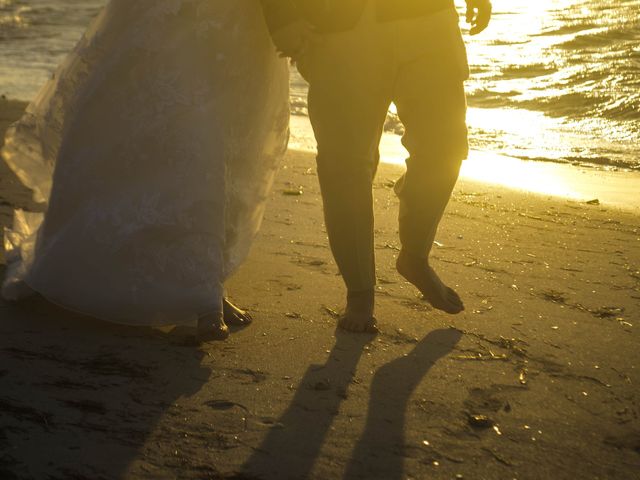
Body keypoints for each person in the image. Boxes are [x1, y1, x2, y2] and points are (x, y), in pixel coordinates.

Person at [1, 0, 290, 341]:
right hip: (180, 15)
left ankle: (209, 281)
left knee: (237, 140)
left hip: (245, 21)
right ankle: (203, 296)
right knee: (190, 136)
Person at [260, 0, 492, 332]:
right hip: (340, 26)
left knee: (445, 146)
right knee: (345, 164)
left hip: (429, 19)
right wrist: (282, 17)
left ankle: (415, 253)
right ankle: (359, 291)